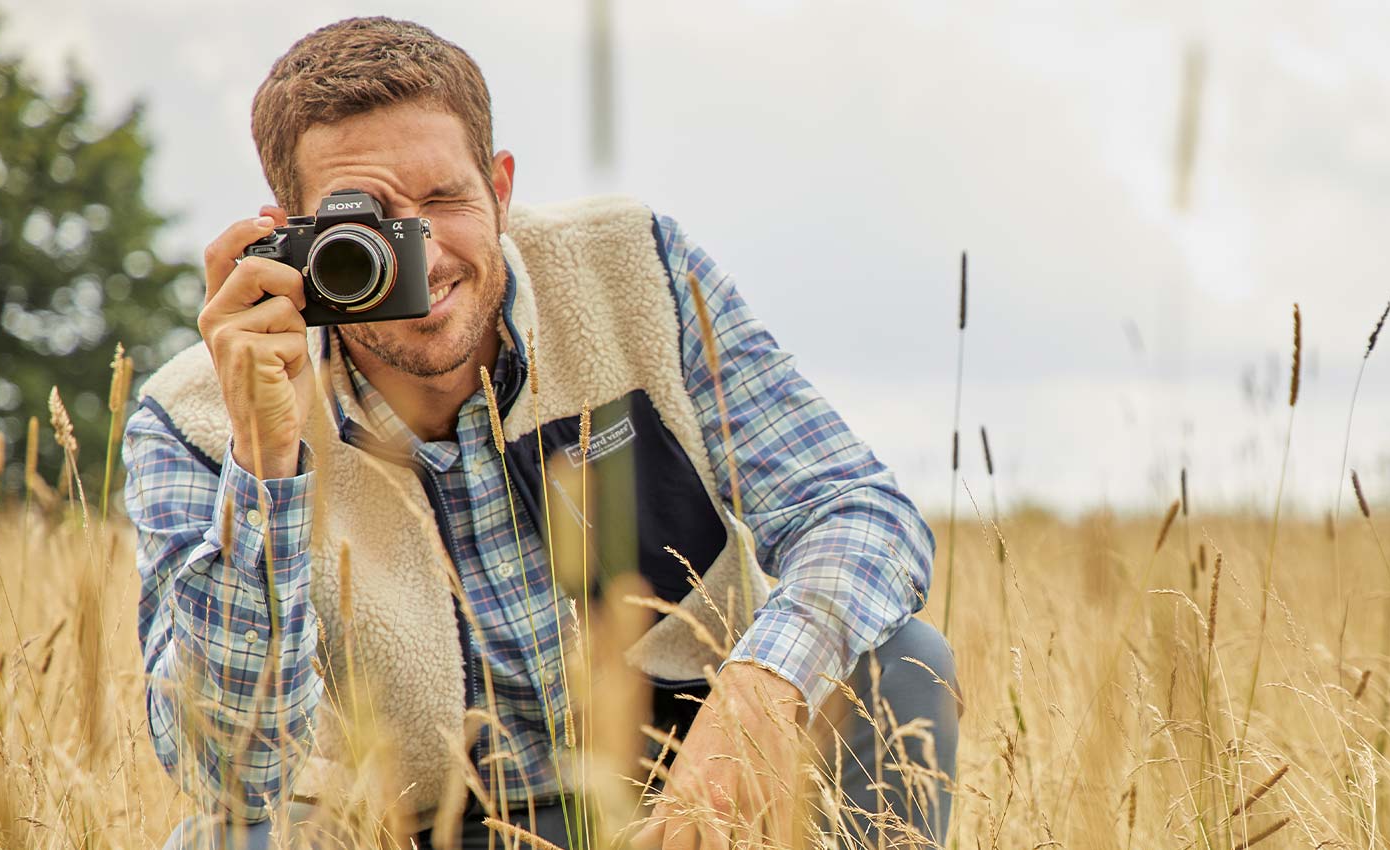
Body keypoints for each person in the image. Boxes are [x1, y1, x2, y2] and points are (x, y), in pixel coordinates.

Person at [124, 16, 958, 849]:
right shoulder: (193, 418)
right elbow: (229, 773)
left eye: (445, 199)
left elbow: (857, 512)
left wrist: (758, 696)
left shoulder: (637, 270)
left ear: (501, 188)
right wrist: (265, 460)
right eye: (365, 220)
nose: (421, 253)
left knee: (903, 661)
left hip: (697, 793)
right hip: (414, 825)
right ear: (290, 234)